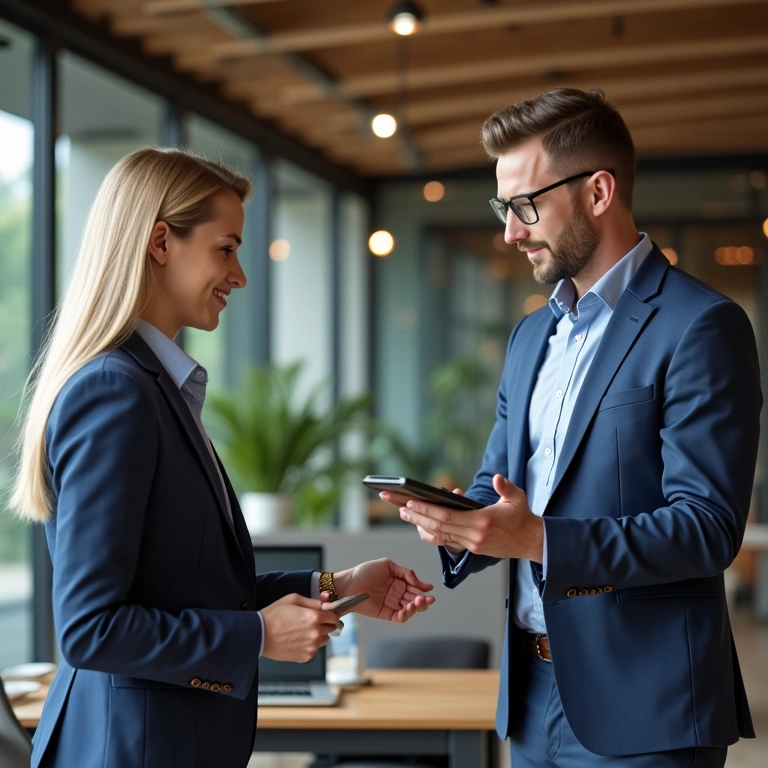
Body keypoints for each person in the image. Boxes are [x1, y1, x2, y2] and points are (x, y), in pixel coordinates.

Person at [10, 147, 435, 768]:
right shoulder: (117, 392)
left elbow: (184, 584)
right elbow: (89, 628)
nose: (238, 276)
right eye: (226, 248)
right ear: (160, 242)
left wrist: (335, 588)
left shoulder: (155, 389)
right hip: (130, 749)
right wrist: (260, 635)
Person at [383, 88, 761, 767]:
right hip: (530, 697)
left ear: (598, 191)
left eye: (526, 206)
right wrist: (455, 522)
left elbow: (707, 528)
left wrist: (537, 538)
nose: (510, 232)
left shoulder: (701, 326)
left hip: (647, 704)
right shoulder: (532, 336)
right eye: (504, 208)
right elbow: (495, 489)